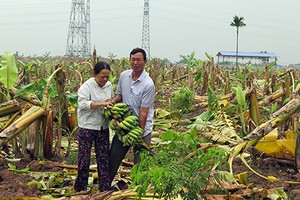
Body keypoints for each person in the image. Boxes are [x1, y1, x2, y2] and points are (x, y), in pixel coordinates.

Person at [109, 48, 155, 184]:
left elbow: (143, 111)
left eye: (138, 60)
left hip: (142, 128)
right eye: (133, 59)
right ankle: (105, 186)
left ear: (145, 62)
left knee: (139, 163)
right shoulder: (124, 76)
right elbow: (120, 95)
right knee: (114, 157)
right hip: (124, 124)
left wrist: (139, 132)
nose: (135, 63)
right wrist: (113, 102)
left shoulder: (148, 84)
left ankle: (137, 189)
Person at [74, 61, 114, 192]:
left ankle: (104, 189)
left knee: (103, 160)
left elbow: (111, 101)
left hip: (103, 127)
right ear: (95, 74)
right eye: (102, 76)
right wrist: (101, 103)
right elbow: (83, 104)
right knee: (84, 160)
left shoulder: (109, 86)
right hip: (87, 127)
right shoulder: (87, 86)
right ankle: (81, 189)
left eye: (107, 76)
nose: (105, 79)